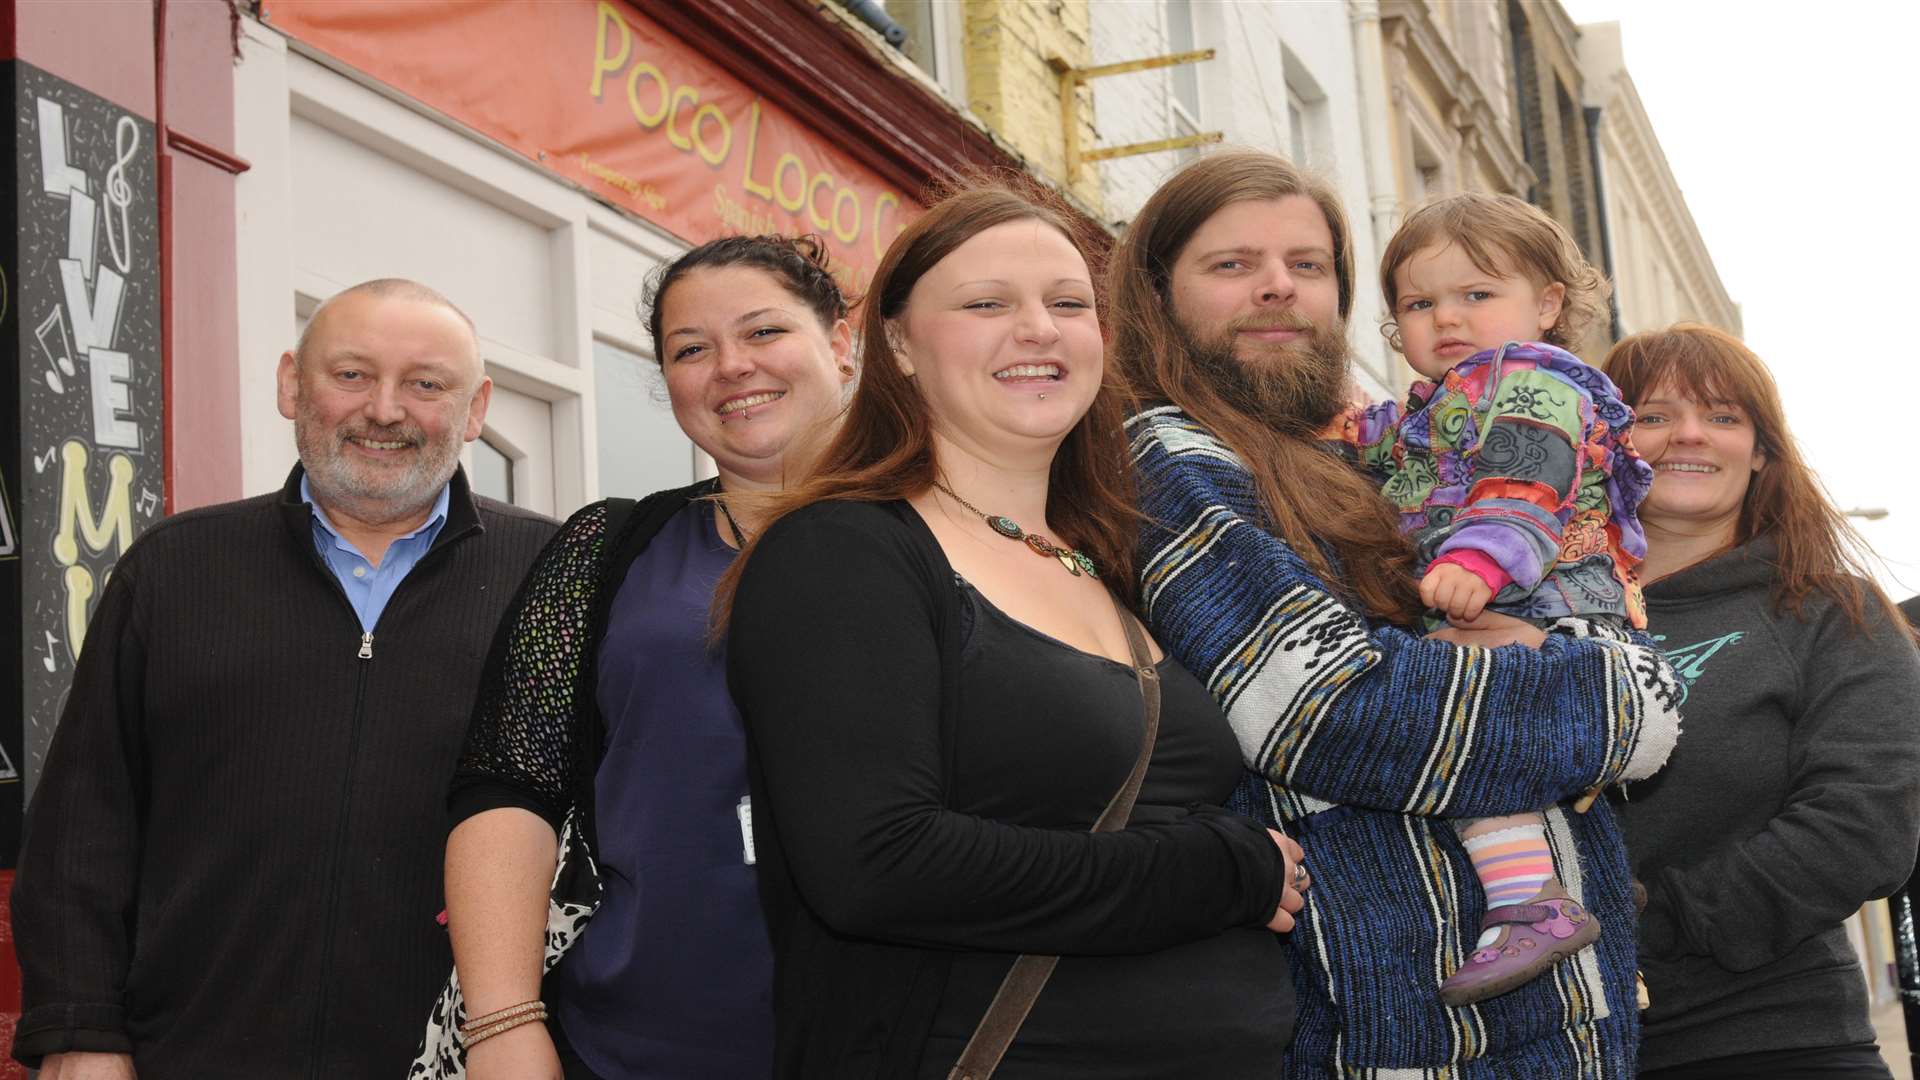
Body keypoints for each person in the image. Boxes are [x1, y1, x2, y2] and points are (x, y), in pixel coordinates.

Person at [1108, 150, 1681, 1077]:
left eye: (1306, 266)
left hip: (1560, 1022)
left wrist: (1575, 661)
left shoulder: (1342, 451)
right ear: (1155, 293)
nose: (1276, 290)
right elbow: (1332, 710)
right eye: (1231, 265)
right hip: (1403, 1030)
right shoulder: (1171, 455)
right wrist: (1625, 698)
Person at [720, 182, 1310, 1079]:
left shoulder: (1113, 560)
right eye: (987, 303)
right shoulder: (842, 552)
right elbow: (878, 865)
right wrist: (1224, 873)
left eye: (1069, 304)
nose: (1038, 329)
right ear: (900, 344)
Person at [10, 279, 557, 1079]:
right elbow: (84, 823)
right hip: (190, 1054)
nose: (384, 409)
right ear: (290, 386)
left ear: (475, 410)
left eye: (426, 384)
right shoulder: (173, 569)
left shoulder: (556, 578)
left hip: (458, 1063)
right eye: (351, 374)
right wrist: (78, 1030)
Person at [416, 236, 857, 1080]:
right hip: (623, 1045)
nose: (731, 366)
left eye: (764, 332)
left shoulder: (952, 540)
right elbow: (510, 784)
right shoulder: (608, 546)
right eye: (691, 350)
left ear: (839, 343)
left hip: (906, 1042)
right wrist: (504, 1025)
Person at [1342, 191, 1660, 1005]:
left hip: (1555, 603)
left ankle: (1530, 900)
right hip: (1514, 606)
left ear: (1547, 305)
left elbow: (1527, 480)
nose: (1446, 317)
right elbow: (1361, 442)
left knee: (1450, 712)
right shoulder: (1436, 404)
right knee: (1472, 733)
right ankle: (1575, 876)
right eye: (1419, 303)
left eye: (1476, 295)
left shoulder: (1533, 383)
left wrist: (1480, 564)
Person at [1603, 324, 1920, 1079]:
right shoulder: (1528, 618)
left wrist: (1646, 929)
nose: (1688, 435)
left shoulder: (1829, 611)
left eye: (1722, 416)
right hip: (1553, 1051)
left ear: (1763, 452)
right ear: (1603, 443)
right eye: (1652, 415)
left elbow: (1868, 819)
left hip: (1770, 1040)